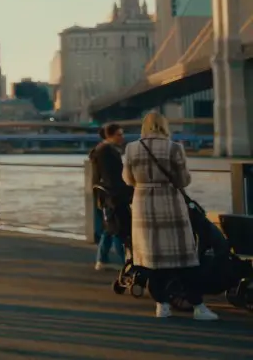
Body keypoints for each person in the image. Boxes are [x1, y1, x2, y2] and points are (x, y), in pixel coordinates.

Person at [122, 111, 218, 321]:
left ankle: (161, 305)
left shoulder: (132, 148)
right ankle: (198, 307)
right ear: (164, 126)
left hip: (144, 205)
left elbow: (128, 180)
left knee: (153, 258)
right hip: (170, 203)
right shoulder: (174, 148)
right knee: (184, 258)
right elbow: (183, 180)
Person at [90, 123, 132, 271]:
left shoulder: (102, 150)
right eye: (119, 134)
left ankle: (101, 260)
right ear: (110, 136)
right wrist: (128, 190)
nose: (122, 137)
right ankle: (125, 263)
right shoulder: (106, 152)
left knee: (110, 228)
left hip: (106, 194)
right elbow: (112, 177)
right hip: (112, 195)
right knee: (118, 229)